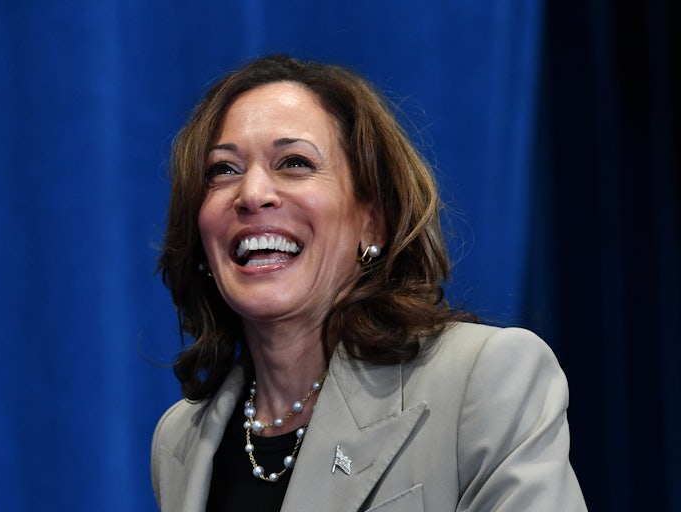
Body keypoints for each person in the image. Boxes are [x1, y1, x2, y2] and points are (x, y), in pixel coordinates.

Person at [151, 54, 586, 511]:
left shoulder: (483, 381)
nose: (253, 193)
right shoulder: (180, 440)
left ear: (373, 221)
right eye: (223, 170)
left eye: (294, 162)